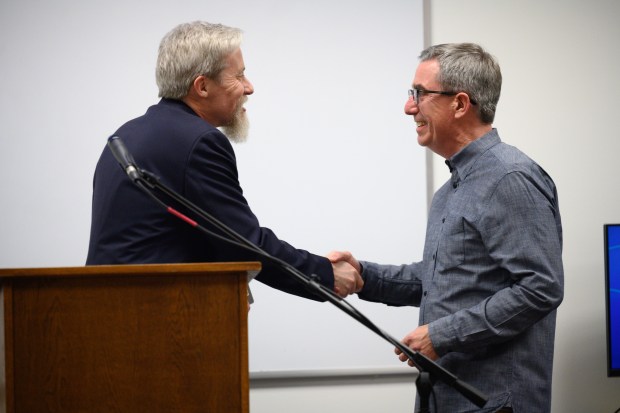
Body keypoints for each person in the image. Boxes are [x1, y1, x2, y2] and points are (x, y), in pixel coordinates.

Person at [329, 43, 564, 412]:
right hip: (448, 397)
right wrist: (363, 276)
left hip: (495, 402)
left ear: (459, 103)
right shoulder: (452, 189)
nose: (410, 107)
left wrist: (442, 335)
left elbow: (540, 287)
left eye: (419, 94)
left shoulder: (510, 178)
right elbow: (445, 279)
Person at [86, 21, 363, 301]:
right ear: (202, 86)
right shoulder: (198, 141)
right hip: (159, 319)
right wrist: (325, 274)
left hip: (105, 310)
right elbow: (242, 242)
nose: (249, 87)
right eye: (239, 76)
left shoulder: (124, 136)